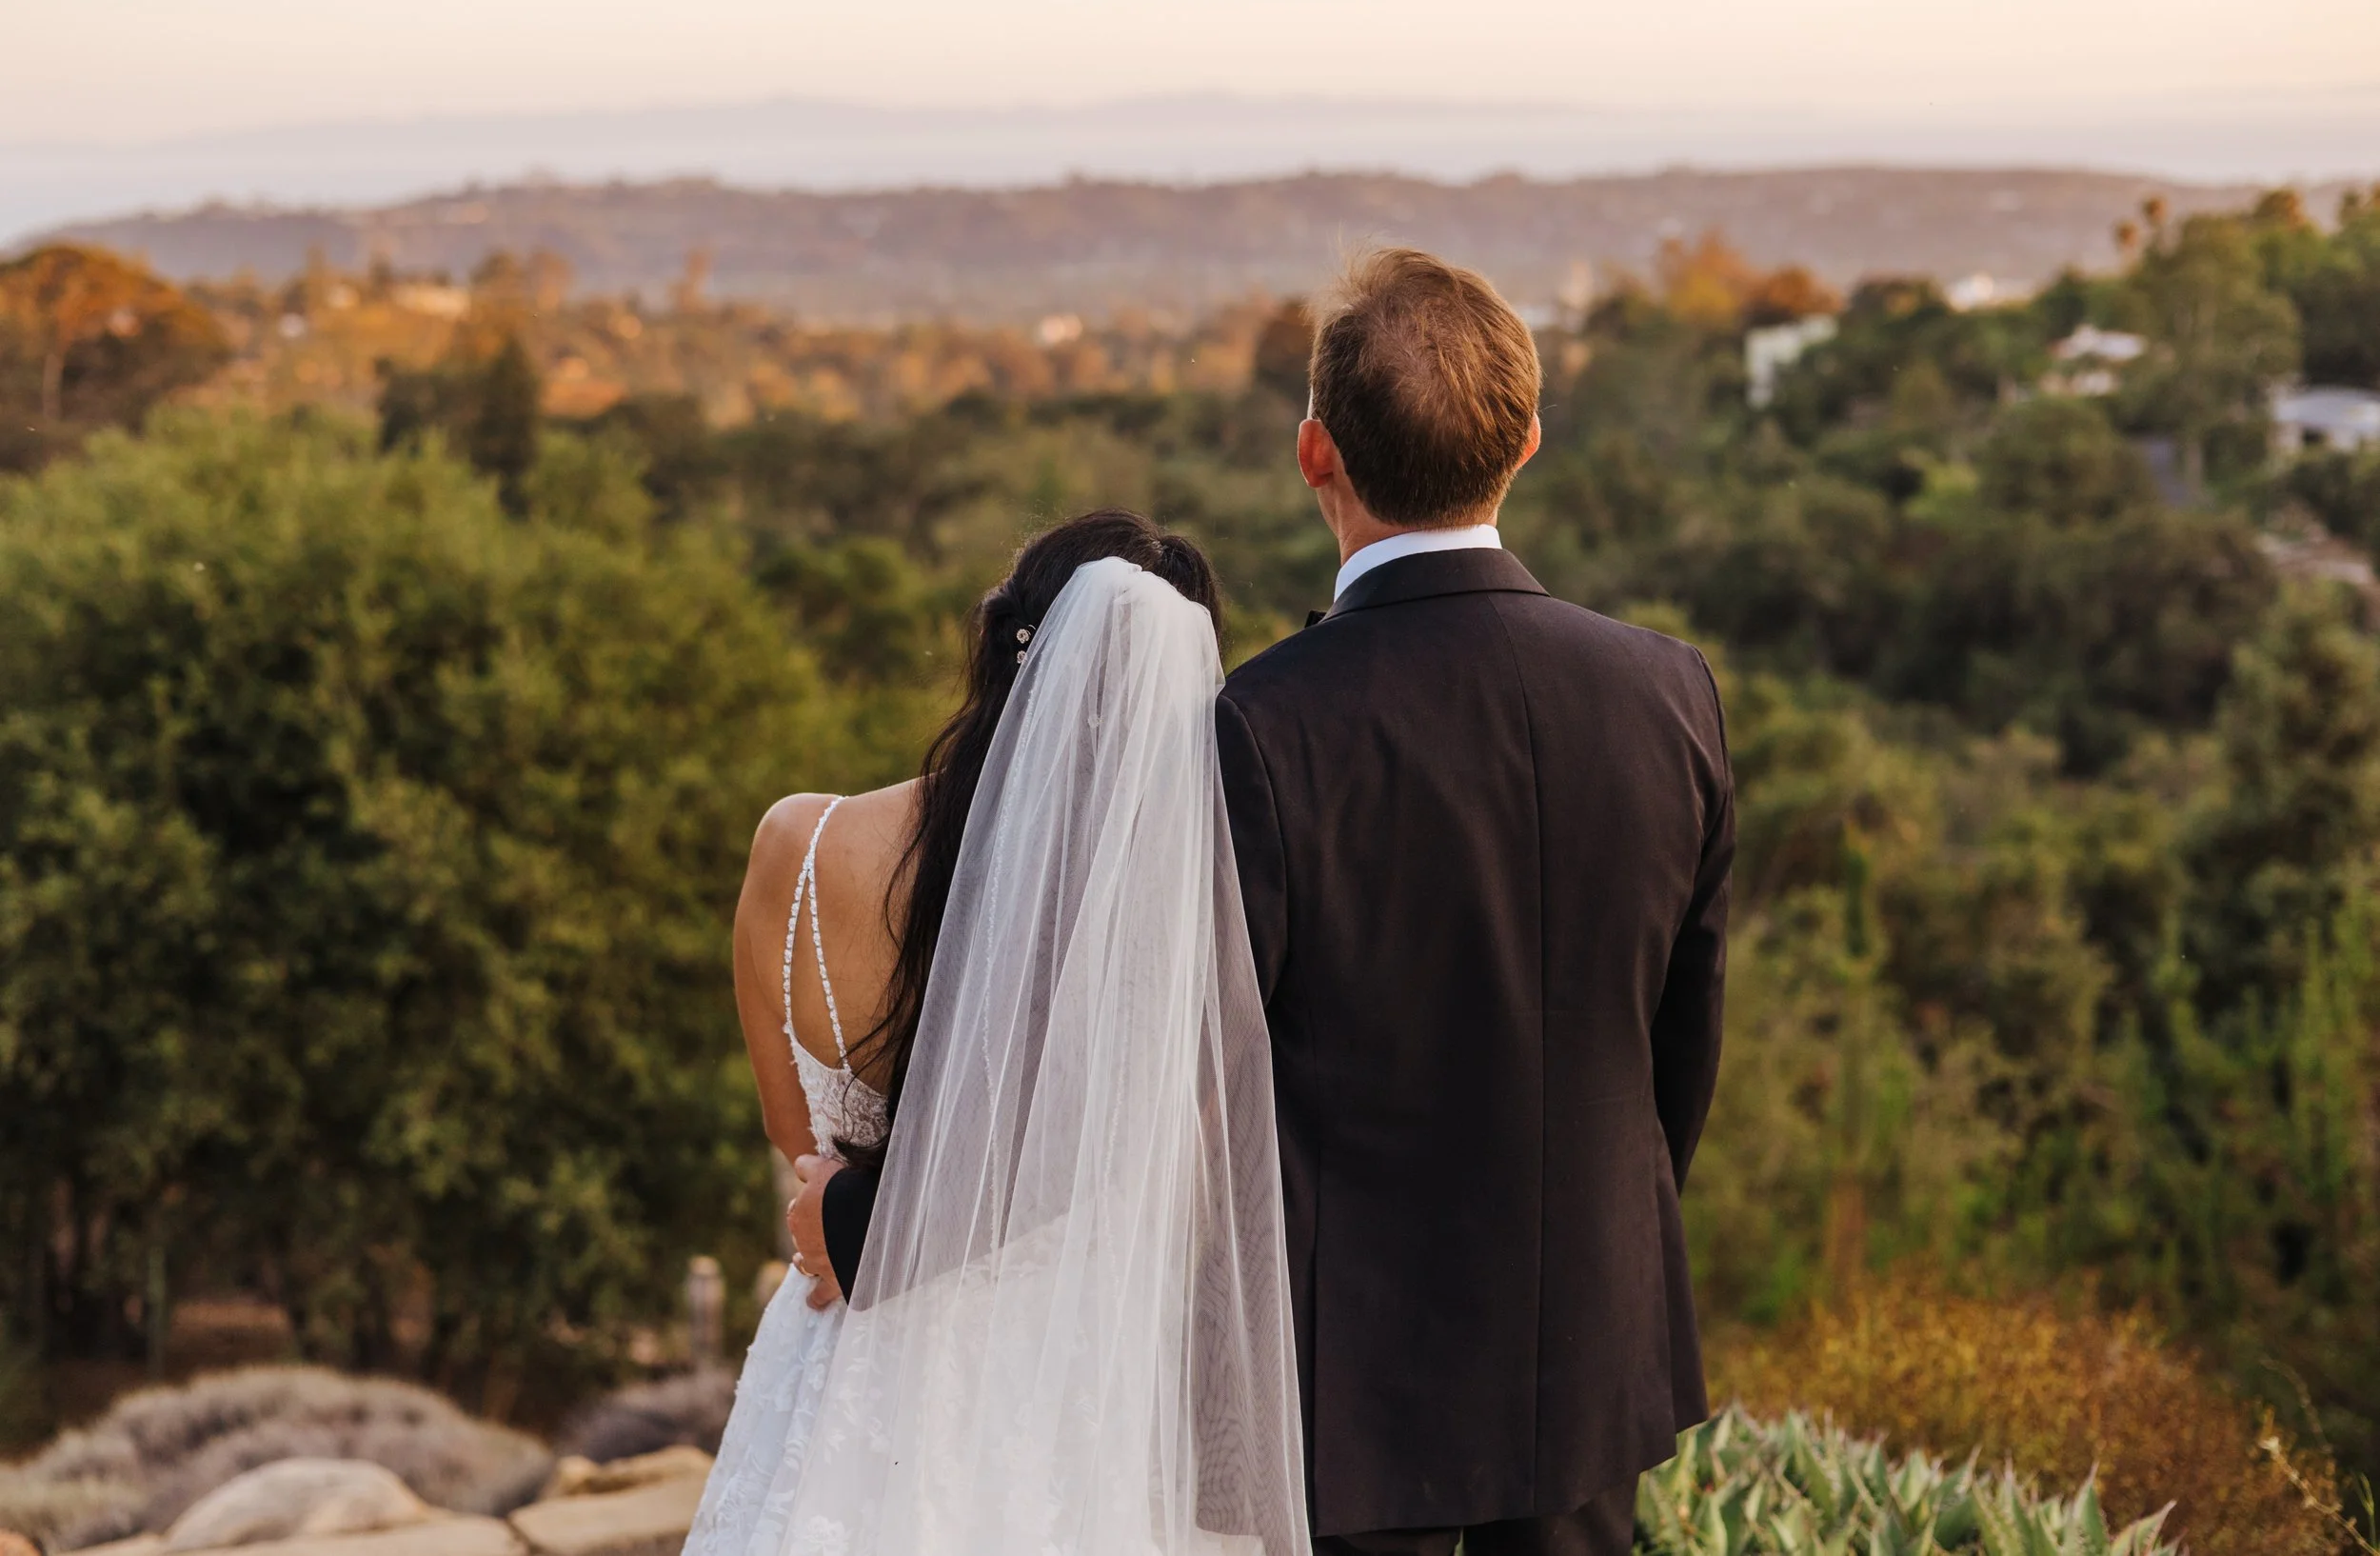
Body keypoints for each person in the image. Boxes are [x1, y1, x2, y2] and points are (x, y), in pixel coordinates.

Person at [804, 248, 1734, 1556]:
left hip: (1346, 1378)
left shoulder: (1261, 726)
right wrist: (1605, 1242)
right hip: (1590, 1336)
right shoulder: (1671, 688)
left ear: (1315, 456)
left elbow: (1133, 1073)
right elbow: (1682, 1043)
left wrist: (868, 1218)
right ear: (1524, 444)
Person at [687, 511, 1307, 1556]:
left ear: (996, 641)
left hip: (848, 1368)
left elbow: (797, 1147)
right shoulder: (1167, 934)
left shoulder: (798, 844)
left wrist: (864, 1220)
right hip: (1066, 1399)